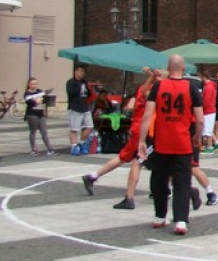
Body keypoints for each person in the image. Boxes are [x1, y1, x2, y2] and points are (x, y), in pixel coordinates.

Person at [138, 55, 204, 235]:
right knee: (182, 181)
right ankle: (181, 220)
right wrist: (197, 136)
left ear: (168, 68)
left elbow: (147, 115)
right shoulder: (191, 88)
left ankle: (160, 216)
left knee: (158, 179)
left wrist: (142, 140)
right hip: (182, 142)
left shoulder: (158, 86)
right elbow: (199, 119)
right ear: (183, 69)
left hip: (162, 142)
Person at [82, 67, 162, 209]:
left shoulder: (145, 89)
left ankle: (93, 176)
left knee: (130, 158)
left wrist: (152, 77)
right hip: (143, 130)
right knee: (136, 161)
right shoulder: (152, 91)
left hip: (140, 128)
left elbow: (132, 105)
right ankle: (135, 195)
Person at [23, 77, 55, 155]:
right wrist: (38, 100)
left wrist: (45, 99)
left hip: (41, 113)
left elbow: (45, 100)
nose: (34, 85)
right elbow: (31, 103)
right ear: (29, 84)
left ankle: (50, 149)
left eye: (35, 84)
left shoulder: (40, 91)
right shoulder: (27, 94)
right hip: (32, 114)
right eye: (33, 84)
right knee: (33, 131)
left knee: (44, 131)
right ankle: (33, 149)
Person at [66, 64, 93, 154]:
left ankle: (81, 143)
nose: (82, 73)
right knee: (74, 129)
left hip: (85, 107)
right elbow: (70, 93)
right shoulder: (71, 82)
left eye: (83, 72)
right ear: (76, 72)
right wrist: (79, 87)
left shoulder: (84, 82)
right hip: (75, 108)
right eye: (80, 71)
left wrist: (88, 89)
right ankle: (74, 146)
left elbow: (87, 94)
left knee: (89, 127)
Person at [200, 71, 218, 152]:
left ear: (204, 77)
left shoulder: (208, 87)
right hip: (210, 110)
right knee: (208, 129)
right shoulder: (211, 86)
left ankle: (209, 147)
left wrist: (202, 108)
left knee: (208, 130)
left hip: (208, 111)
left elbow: (206, 100)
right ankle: (212, 144)